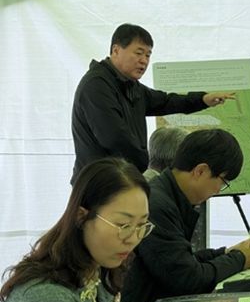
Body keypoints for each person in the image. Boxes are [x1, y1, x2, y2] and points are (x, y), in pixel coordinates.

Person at [0, 158, 152, 302]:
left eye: (142, 225)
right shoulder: (45, 299)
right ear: (82, 216)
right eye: (123, 225)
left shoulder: (93, 270)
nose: (133, 239)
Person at [118, 128, 250, 302]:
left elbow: (183, 259)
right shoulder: (157, 206)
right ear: (200, 171)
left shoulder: (167, 194)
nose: (218, 190)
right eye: (222, 181)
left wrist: (226, 253)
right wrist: (240, 259)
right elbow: (188, 278)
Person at [71, 23, 235, 183]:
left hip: (122, 179)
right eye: (139, 53)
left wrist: (202, 99)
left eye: (148, 55)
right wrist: (147, 166)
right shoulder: (96, 85)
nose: (144, 61)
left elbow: (166, 101)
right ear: (116, 50)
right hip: (97, 184)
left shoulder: (131, 86)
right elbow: (115, 138)